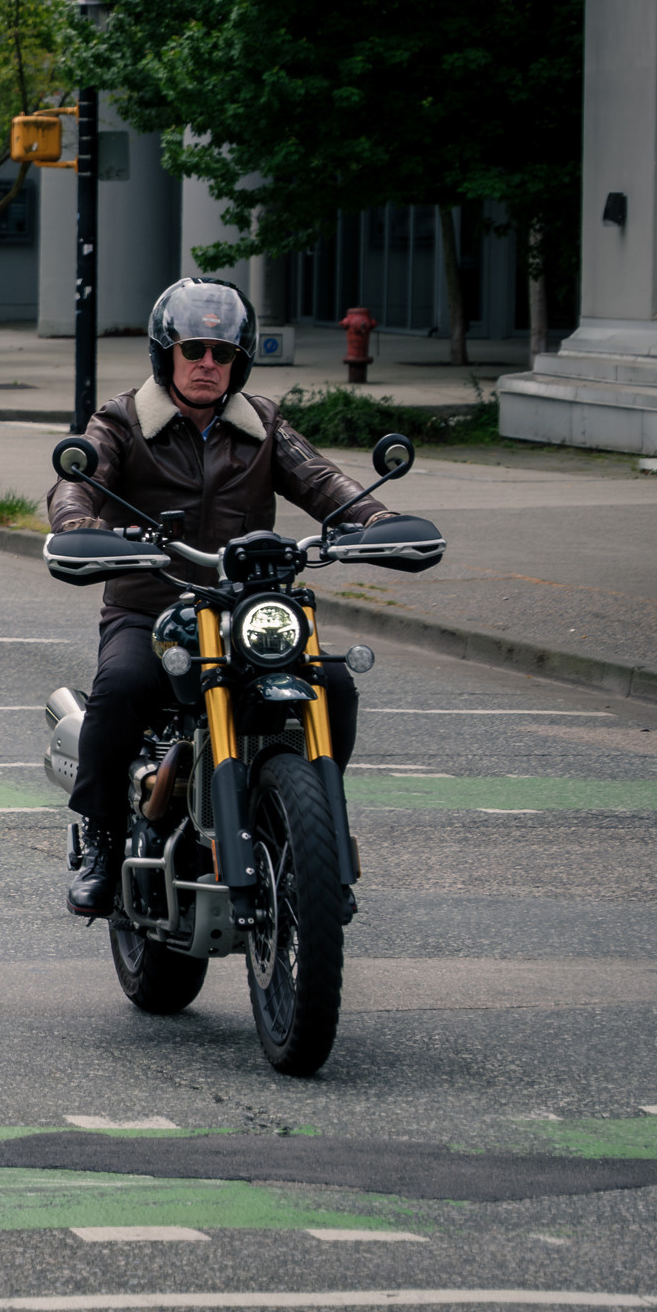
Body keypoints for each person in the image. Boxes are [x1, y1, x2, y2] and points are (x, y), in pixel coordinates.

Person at [44, 277, 396, 917]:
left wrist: (375, 519)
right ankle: (102, 838)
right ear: (166, 355)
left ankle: (313, 830)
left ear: (240, 361)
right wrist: (77, 524)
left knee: (335, 685)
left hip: (247, 610)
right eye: (194, 349)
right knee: (122, 686)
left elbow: (322, 480)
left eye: (223, 352)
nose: (208, 363)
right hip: (153, 609)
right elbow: (80, 480)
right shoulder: (122, 420)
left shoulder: (262, 423)